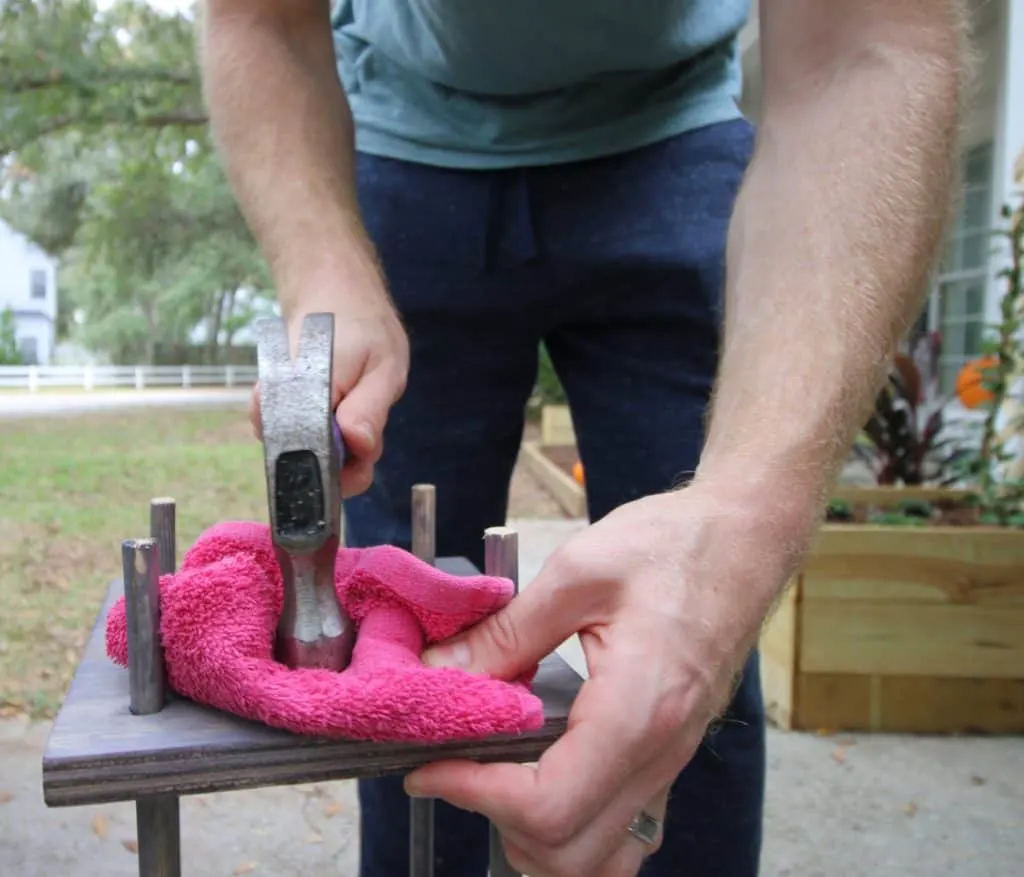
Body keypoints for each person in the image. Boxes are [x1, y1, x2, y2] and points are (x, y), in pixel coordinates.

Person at [199, 1, 969, 875]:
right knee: (396, 641)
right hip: (403, 147)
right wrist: (324, 262)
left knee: (685, 635)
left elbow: (862, 47)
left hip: (671, 134)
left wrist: (745, 523)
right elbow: (259, 19)